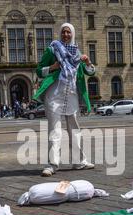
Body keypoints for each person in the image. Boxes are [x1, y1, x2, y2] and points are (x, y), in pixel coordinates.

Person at [33, 23, 96, 177]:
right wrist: (53, 67)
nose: (66, 35)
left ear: (72, 34)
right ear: (60, 34)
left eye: (68, 32)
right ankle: (52, 164)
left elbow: (90, 72)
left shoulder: (77, 53)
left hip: (72, 94)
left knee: (75, 130)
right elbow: (39, 71)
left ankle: (79, 161)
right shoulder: (52, 49)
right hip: (55, 95)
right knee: (55, 130)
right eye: (63, 32)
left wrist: (87, 62)